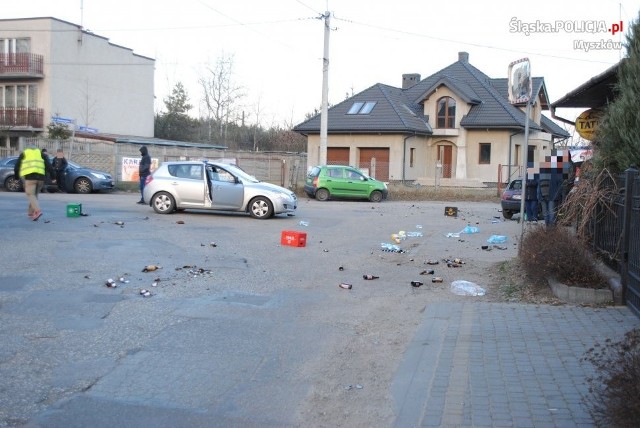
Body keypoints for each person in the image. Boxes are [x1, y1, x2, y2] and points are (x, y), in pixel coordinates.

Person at [14, 144, 55, 221]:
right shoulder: (41, 154)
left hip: (30, 178)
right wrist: (53, 177)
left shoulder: (24, 153)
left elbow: (17, 166)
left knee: (30, 194)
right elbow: (49, 166)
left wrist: (16, 177)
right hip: (41, 178)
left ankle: (38, 211)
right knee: (34, 195)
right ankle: (31, 212)